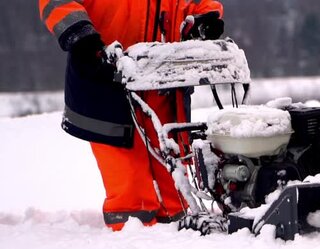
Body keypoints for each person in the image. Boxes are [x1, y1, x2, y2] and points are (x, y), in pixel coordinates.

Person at [39, 0, 225, 230]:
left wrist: (205, 16)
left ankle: (176, 229)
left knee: (176, 190)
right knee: (132, 200)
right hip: (106, 74)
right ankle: (134, 238)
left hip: (165, 82)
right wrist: (79, 35)